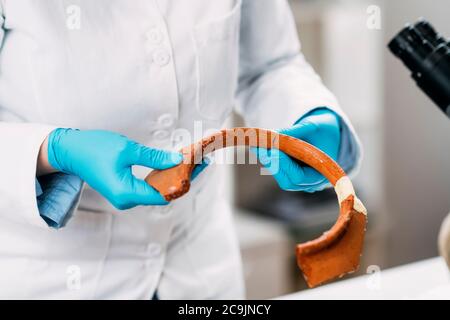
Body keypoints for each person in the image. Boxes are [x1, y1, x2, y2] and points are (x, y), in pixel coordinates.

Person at [0, 0, 361, 299]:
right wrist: (52, 150)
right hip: (51, 276)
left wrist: (309, 114)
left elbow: (269, 65)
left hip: (200, 272)